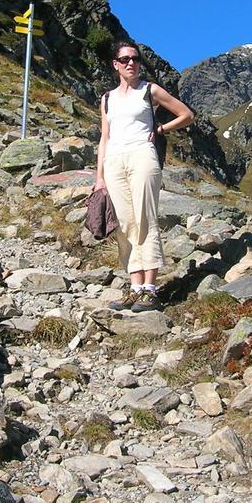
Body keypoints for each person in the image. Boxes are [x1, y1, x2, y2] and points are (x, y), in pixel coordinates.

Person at [94, 39, 194, 311]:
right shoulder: (107, 99)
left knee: (144, 218)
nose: (131, 63)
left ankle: (150, 289)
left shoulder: (150, 91)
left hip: (142, 157)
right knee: (125, 224)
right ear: (115, 64)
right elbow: (105, 138)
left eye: (135, 59)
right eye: (125, 59)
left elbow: (186, 115)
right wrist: (99, 177)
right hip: (114, 161)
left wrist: (161, 130)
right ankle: (134, 287)